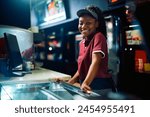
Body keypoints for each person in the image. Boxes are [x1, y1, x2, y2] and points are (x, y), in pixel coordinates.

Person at [67, 5, 115, 93]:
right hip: (86, 85)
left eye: (88, 23)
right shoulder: (81, 43)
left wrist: (86, 83)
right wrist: (70, 81)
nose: (83, 26)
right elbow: (81, 69)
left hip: (100, 85)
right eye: (81, 23)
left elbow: (95, 61)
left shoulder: (99, 37)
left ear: (96, 24)